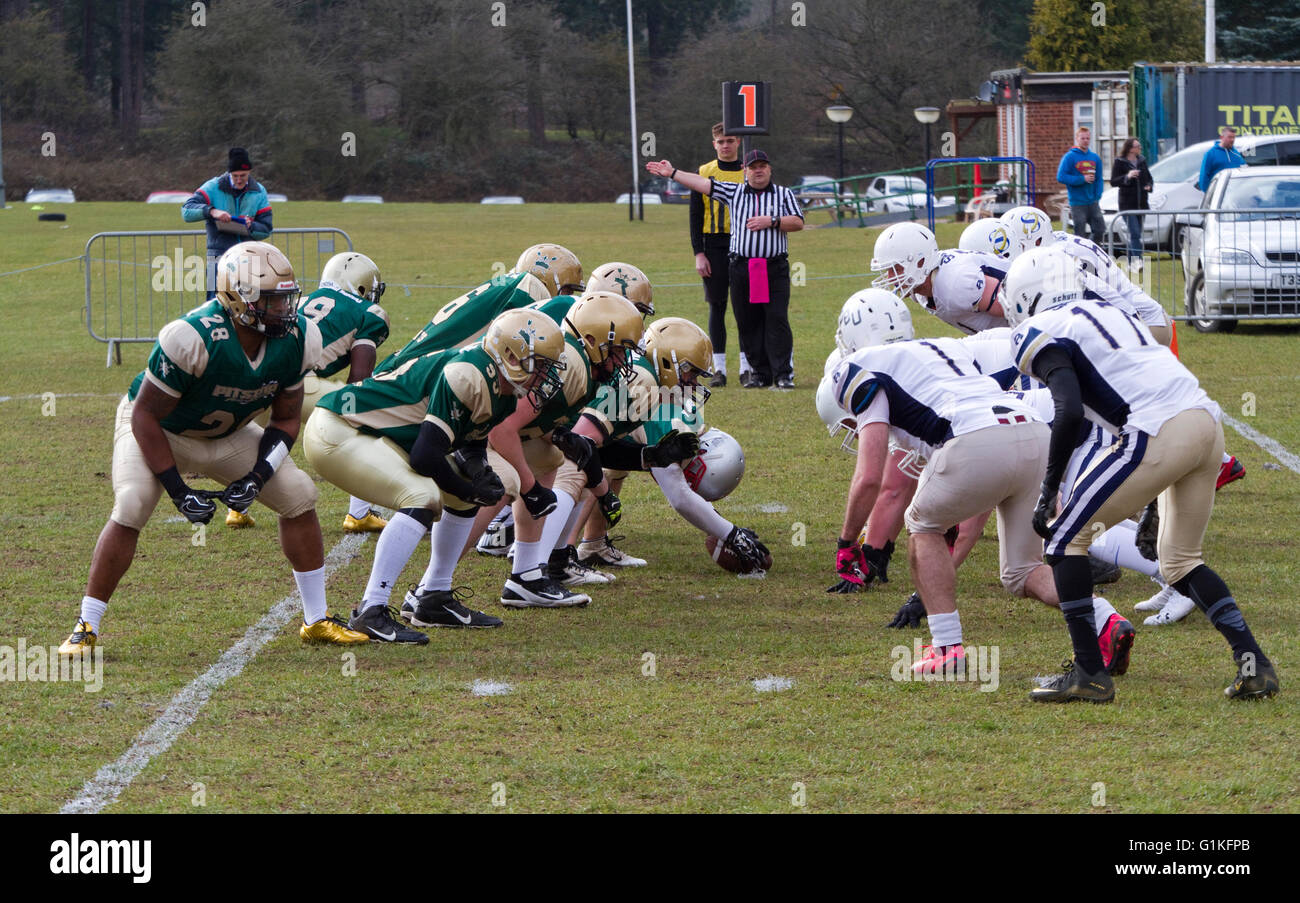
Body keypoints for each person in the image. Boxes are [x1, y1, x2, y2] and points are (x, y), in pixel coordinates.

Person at [58, 242, 369, 657]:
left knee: (298, 496)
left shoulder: (296, 338)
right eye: (271, 301)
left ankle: (315, 619)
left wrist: (257, 478)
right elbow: (145, 416)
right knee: (132, 504)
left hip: (226, 435)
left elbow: (286, 420)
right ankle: (86, 624)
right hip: (159, 431)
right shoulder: (192, 336)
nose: (283, 310)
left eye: (285, 299)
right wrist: (177, 489)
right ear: (237, 297)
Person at [1003, 247, 1278, 701]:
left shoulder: (1038, 328)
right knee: (1180, 561)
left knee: (1063, 538)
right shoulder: (1117, 314)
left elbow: (1068, 408)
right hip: (1206, 425)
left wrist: (1048, 488)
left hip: (1156, 430)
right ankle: (1255, 666)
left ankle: (1089, 672)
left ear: (1026, 297)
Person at [825, 336, 1134, 678]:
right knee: (1022, 571)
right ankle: (1107, 618)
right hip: (1032, 432)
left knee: (922, 525)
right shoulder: (940, 351)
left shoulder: (847, 373)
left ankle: (946, 650)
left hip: (973, 439)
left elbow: (870, 477)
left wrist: (848, 542)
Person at [304, 307, 570, 636]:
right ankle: (371, 609)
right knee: (422, 496)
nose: (546, 375)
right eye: (541, 365)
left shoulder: (501, 386)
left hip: (383, 435)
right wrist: (465, 487)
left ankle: (434, 597)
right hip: (340, 428)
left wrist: (478, 469)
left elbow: (469, 437)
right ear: (511, 357)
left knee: (461, 498)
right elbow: (425, 456)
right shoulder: (467, 374)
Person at [647, 149, 804, 388]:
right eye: (753, 167)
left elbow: (798, 222)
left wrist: (772, 221)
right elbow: (702, 183)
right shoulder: (735, 192)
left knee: (776, 319)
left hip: (773, 267)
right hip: (743, 266)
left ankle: (783, 374)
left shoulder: (783, 195)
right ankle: (760, 374)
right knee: (747, 322)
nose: (758, 170)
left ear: (770, 169)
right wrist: (673, 173)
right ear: (745, 170)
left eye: (762, 165)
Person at [870, 222, 1008, 335]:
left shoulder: (956, 283)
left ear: (920, 262)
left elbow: (1014, 308)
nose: (890, 277)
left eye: (896, 269)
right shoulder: (920, 289)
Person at [689, 123, 748, 387]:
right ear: (714, 144)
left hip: (745, 245)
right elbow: (695, 215)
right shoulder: (704, 172)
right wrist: (699, 253)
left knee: (746, 308)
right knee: (717, 305)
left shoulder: (750, 172)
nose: (726, 145)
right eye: (721, 141)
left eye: (730, 140)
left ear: (738, 143)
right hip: (713, 245)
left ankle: (748, 367)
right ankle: (719, 368)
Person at [182, 147, 274, 293]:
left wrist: (251, 226)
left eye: (243, 176)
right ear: (229, 173)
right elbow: (186, 211)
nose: (239, 180)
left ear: (249, 172)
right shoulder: (213, 187)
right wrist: (212, 211)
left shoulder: (259, 191)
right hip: (218, 257)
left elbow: (266, 229)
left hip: (248, 257)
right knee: (216, 304)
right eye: (235, 175)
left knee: (249, 306)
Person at [1109, 138, 1153, 269]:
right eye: (1137, 146)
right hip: (1127, 204)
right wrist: (1127, 177)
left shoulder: (1142, 161)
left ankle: (1129, 263)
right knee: (1134, 233)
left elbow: (1149, 178)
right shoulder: (1120, 162)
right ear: (1130, 148)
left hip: (1141, 203)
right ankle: (1137, 261)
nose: (1140, 148)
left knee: (1136, 234)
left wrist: (1149, 186)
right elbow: (1113, 181)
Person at [1056, 127, 1104, 243]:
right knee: (1080, 233)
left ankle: (1091, 250)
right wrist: (1082, 179)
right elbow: (1061, 177)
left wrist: (1097, 195)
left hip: (1093, 201)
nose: (1086, 140)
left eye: (1088, 138)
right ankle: (1078, 257)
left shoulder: (1095, 158)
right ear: (1077, 139)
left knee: (1100, 229)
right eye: (1083, 138)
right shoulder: (1069, 157)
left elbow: (1099, 179)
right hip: (1077, 202)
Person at [1198, 127, 1245, 193]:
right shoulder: (1211, 154)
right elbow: (1204, 176)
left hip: (1234, 195)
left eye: (1233, 137)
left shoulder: (1236, 154)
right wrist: (1208, 194)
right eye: (1229, 137)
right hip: (1217, 195)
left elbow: (1243, 171)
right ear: (1221, 137)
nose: (1232, 140)